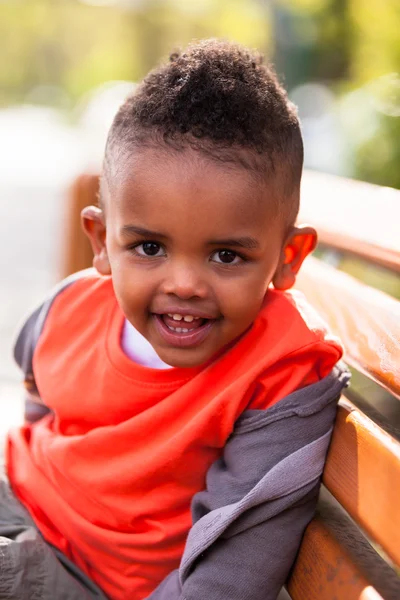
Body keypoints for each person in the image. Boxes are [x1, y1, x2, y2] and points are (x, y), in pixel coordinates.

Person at [2, 39, 349, 600]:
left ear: (287, 259)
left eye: (226, 256)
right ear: (101, 241)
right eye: (148, 247)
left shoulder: (281, 372)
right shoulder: (71, 308)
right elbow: (41, 386)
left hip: (84, 575)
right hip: (20, 498)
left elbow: (233, 567)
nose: (184, 284)